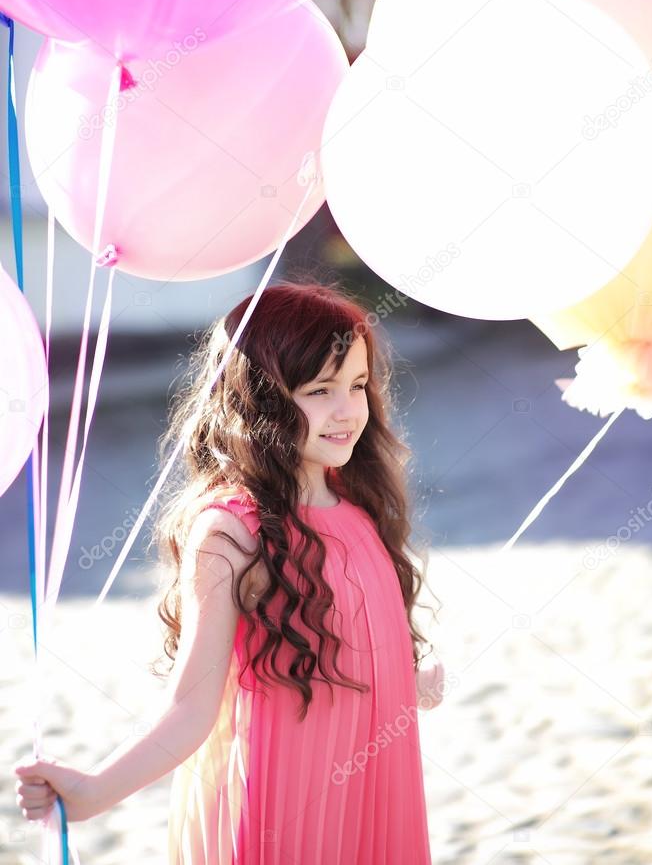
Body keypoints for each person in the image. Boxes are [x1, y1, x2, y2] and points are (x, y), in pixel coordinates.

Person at [15, 280, 445, 863]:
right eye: (320, 390)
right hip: (285, 807)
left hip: (376, 790)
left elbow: (340, 652)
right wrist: (94, 793)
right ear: (261, 398)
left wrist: (406, 680)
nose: (348, 411)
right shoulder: (230, 532)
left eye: (358, 385)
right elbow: (191, 709)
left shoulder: (361, 506)